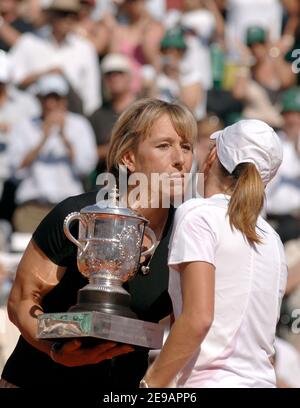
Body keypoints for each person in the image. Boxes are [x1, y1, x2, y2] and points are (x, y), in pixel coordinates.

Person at [0, 98, 196, 388]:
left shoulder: (190, 233)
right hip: (38, 380)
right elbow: (21, 302)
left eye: (187, 146)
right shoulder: (77, 216)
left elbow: (188, 326)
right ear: (128, 158)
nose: (180, 159)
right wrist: (57, 349)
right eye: (164, 145)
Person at [140, 119, 287, 388]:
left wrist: (150, 385)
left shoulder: (198, 215)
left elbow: (198, 318)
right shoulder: (274, 240)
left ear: (212, 157)